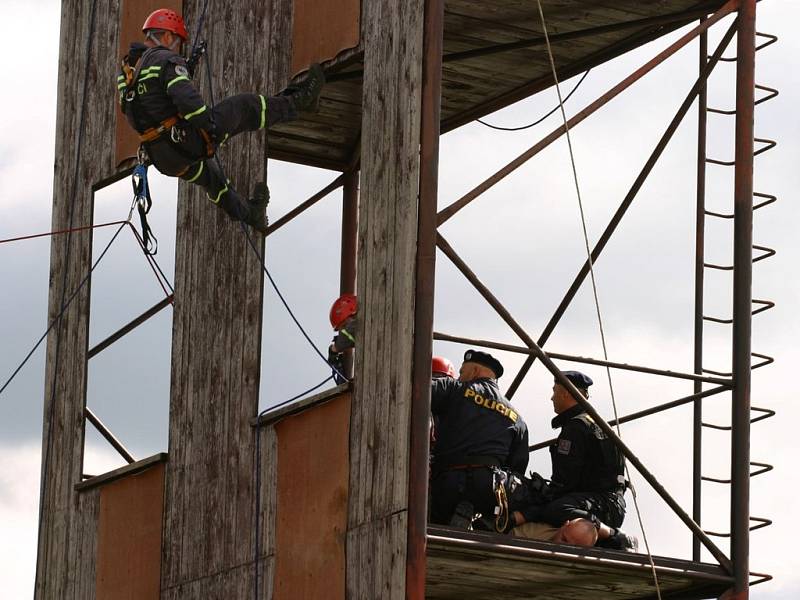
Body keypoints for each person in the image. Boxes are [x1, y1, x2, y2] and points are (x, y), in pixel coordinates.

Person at [116, 9, 324, 232]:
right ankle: (300, 103)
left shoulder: (127, 72)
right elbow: (186, 101)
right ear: (167, 36)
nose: (176, 47)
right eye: (176, 42)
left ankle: (251, 214)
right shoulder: (166, 60)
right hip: (184, 143)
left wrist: (184, 71)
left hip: (164, 158)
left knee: (213, 181)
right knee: (245, 107)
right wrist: (210, 126)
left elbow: (146, 107)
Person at [510, 370, 638, 551]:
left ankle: (615, 536)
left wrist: (531, 507)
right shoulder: (596, 423)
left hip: (599, 504)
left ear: (566, 393)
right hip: (610, 504)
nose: (552, 398)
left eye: (555, 391)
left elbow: (564, 483)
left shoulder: (576, 428)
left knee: (553, 508)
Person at [429, 349, 529, 529]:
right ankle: (486, 524)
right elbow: (518, 466)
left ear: (474, 371)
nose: (459, 378)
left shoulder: (454, 389)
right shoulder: (516, 417)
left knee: (433, 520)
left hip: (449, 480)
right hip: (491, 487)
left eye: (461, 372)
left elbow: (418, 390)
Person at [327, 294, 358, 384]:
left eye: (343, 326)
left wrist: (333, 350)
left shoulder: (355, 323)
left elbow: (344, 338)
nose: (342, 331)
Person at [512, 517, 598, 547]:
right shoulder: (531, 533)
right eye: (564, 539)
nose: (563, 547)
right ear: (564, 525)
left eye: (573, 548)